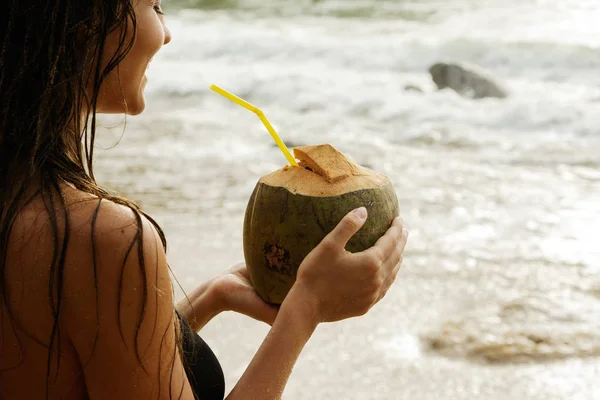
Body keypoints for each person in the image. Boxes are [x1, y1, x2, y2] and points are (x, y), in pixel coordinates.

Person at [0, 1, 409, 399]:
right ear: (84, 27)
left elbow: (80, 364)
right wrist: (306, 307)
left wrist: (211, 297)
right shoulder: (102, 238)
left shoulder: (22, 202)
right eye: (155, 6)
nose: (167, 34)